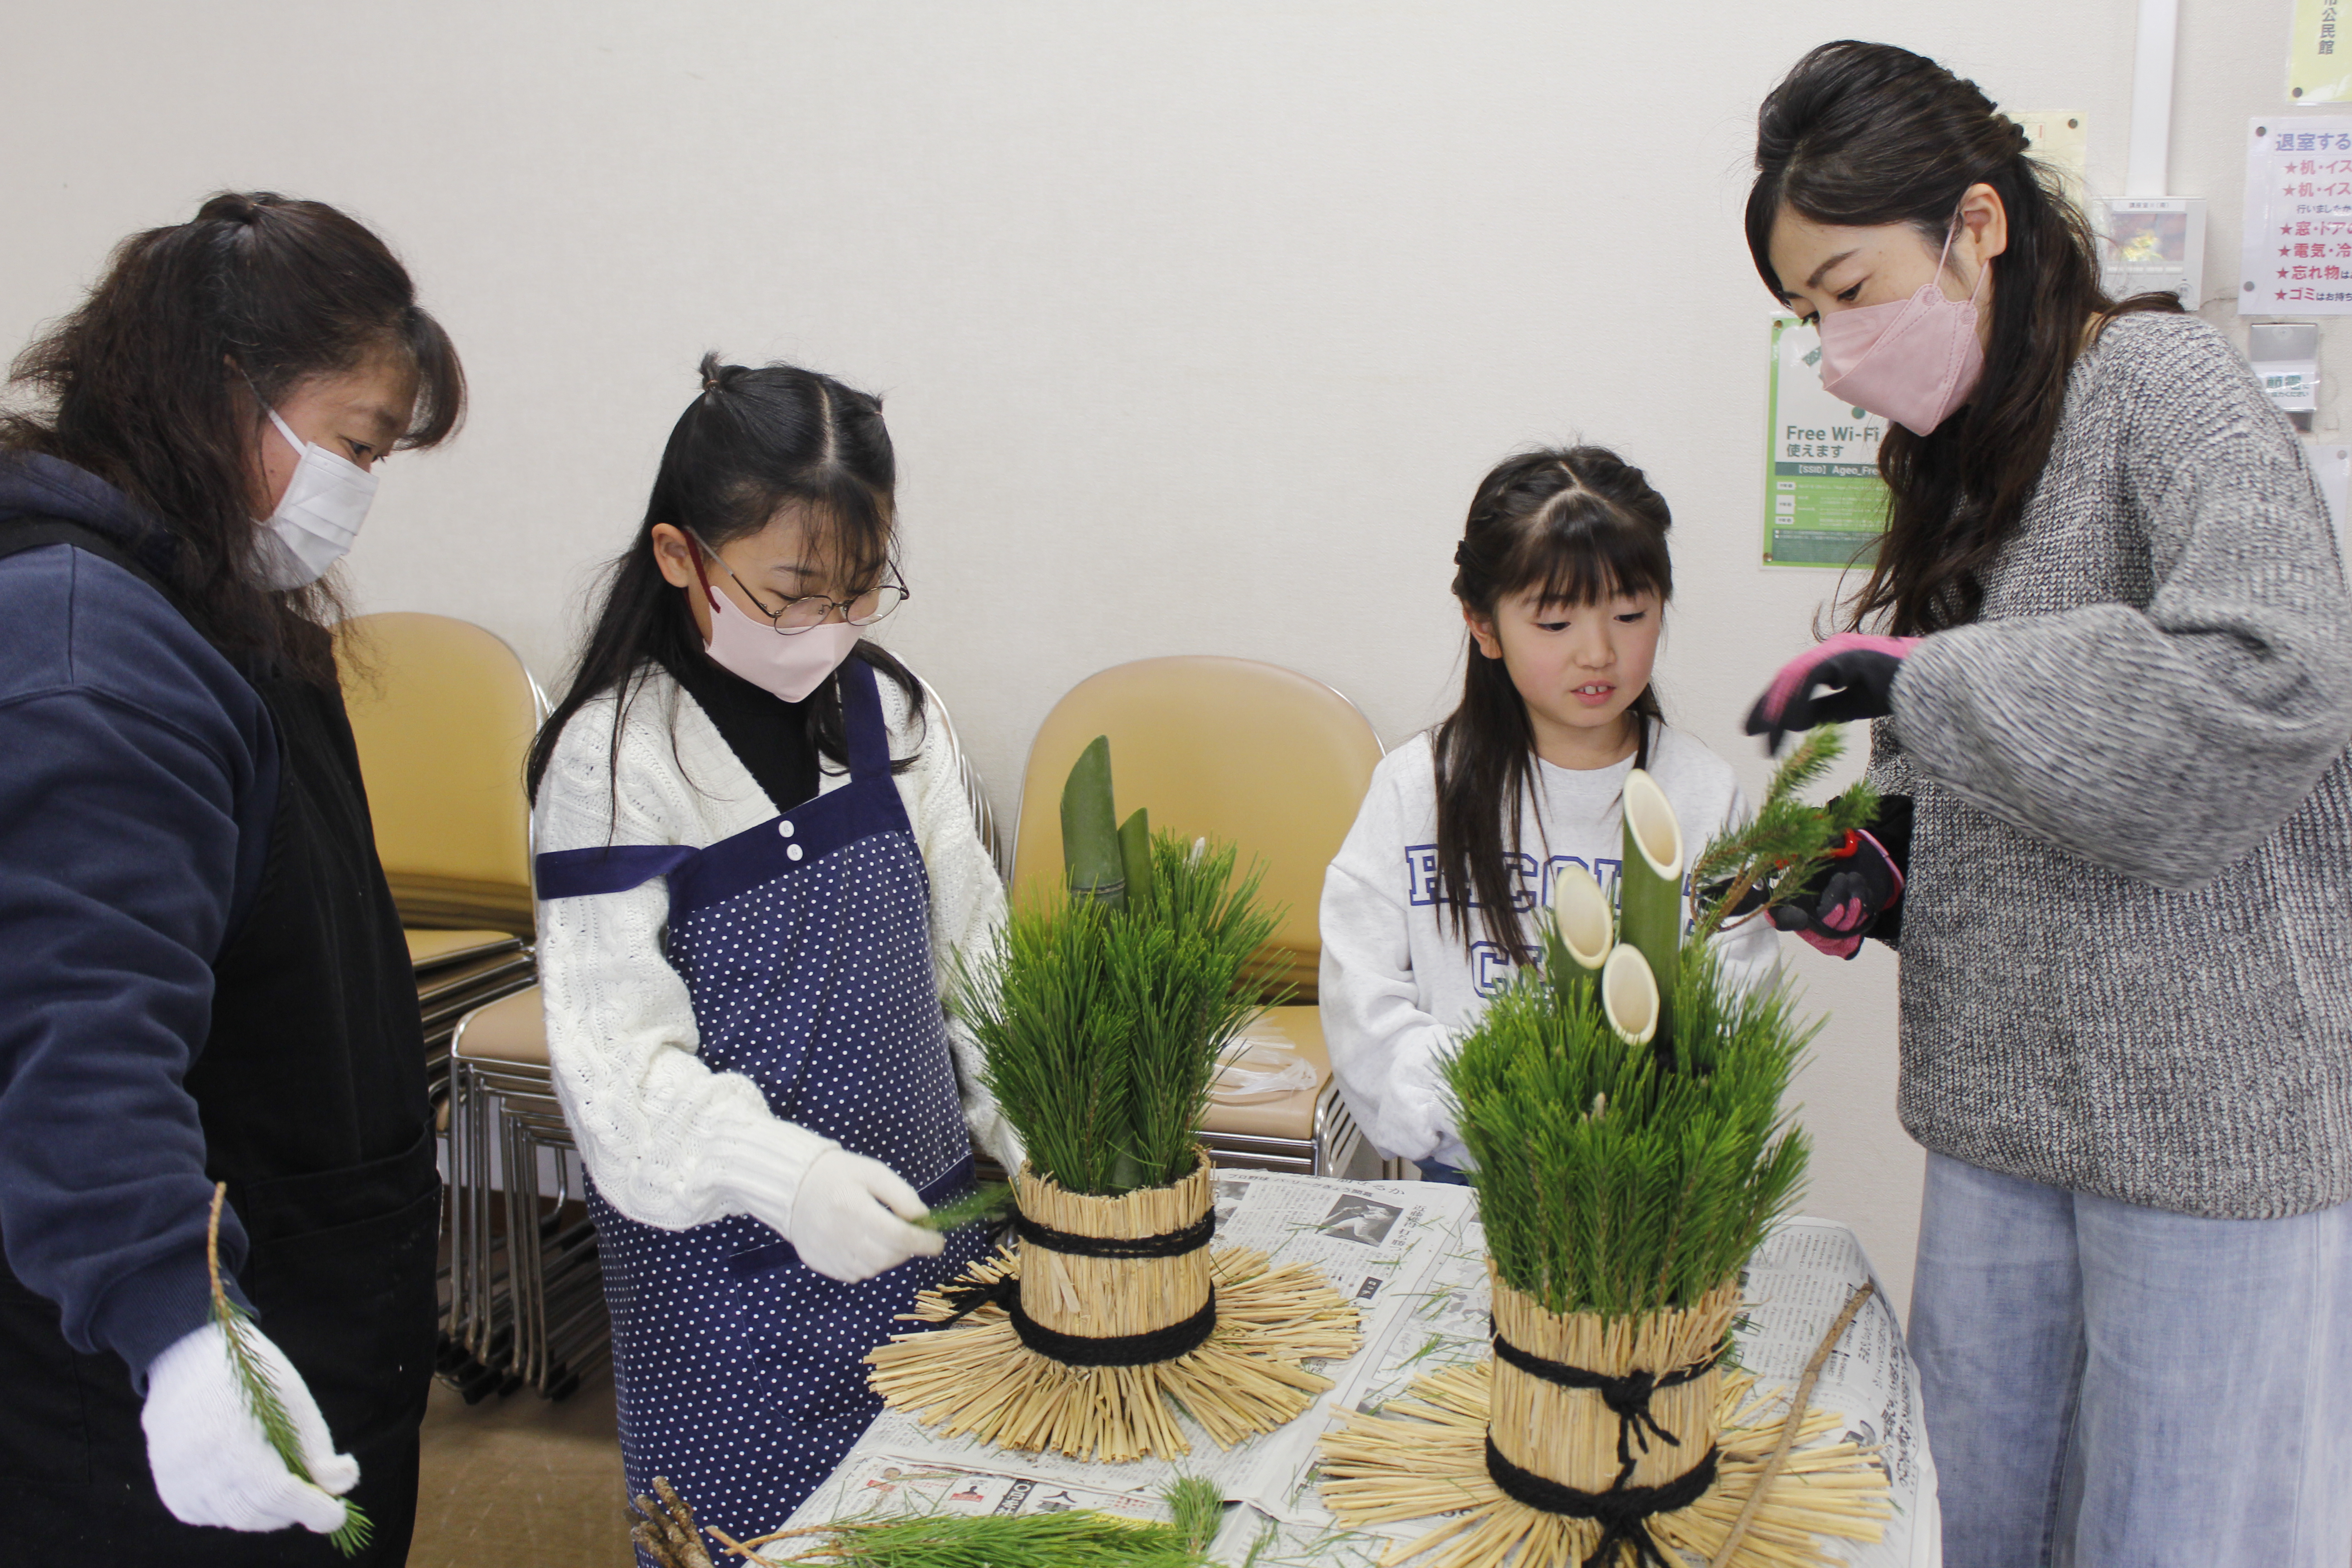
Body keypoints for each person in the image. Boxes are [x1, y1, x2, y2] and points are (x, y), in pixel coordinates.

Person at [1740, 42, 2352, 1568]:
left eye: (1848, 286)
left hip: (2211, 1131)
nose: (1832, 344)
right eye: (1806, 311)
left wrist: (1918, 684)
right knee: (1974, 1517)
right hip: (2007, 1114)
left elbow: (2270, 682)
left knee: (2174, 1533)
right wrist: (1880, 860)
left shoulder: (2158, 378)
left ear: (1976, 226)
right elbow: (2014, 752)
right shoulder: (1960, 456)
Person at [0, 192, 464, 1559]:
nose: (355, 495)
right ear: (221, 392)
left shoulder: (203, 604)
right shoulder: (91, 660)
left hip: (306, 1264)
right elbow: (72, 1034)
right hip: (151, 1378)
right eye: (351, 446)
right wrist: (179, 1327)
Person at [526, 355, 1018, 1550]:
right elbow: (620, 1072)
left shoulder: (894, 714)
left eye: (860, 589)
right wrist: (783, 1180)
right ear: (680, 556)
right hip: (730, 1297)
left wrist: (1039, 1131)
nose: (828, 627)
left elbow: (978, 963)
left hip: (936, 1247)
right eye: (791, 590)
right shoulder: (615, 761)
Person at [1319, 446, 1780, 1183]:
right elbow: (1362, 996)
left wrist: (1643, 1108)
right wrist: (1498, 1108)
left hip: (1641, 1179)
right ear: (1484, 625)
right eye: (1556, 622)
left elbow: (1736, 999)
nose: (1598, 652)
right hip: (1467, 1170)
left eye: (1630, 614)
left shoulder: (1701, 794)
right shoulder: (1418, 790)